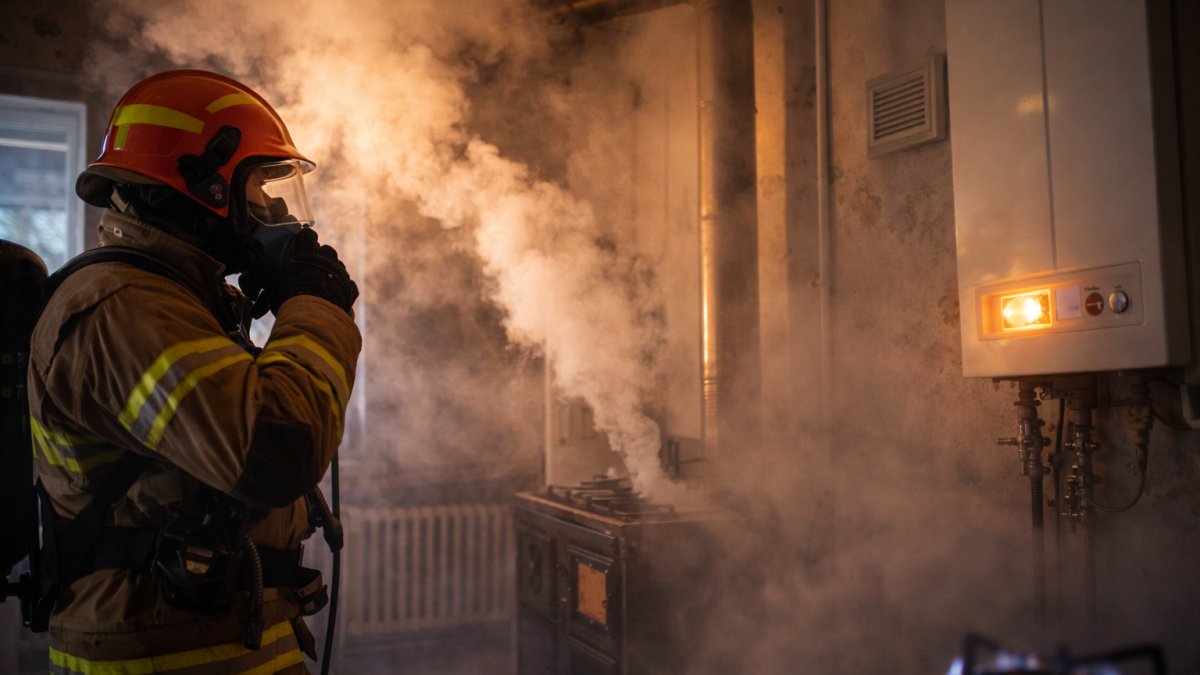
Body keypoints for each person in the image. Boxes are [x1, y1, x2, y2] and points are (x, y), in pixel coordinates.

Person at [27, 69, 360, 673]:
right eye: (258, 184)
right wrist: (315, 306)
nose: (273, 208)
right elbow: (277, 447)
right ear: (204, 184)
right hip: (168, 654)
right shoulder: (120, 307)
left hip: (211, 644)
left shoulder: (175, 301)